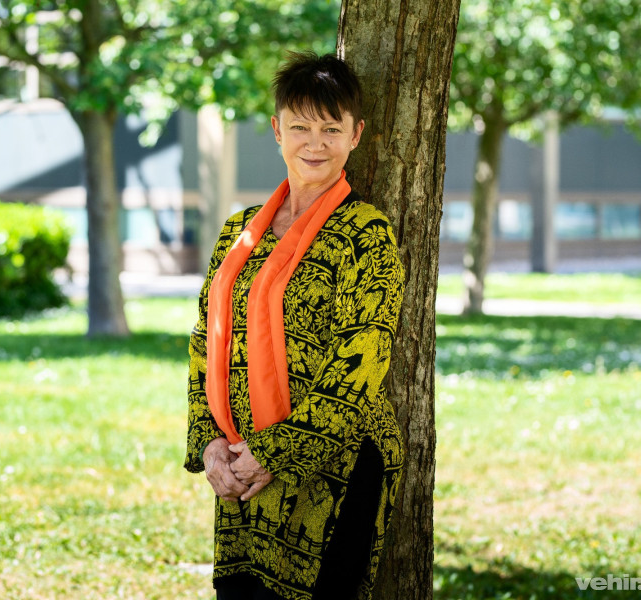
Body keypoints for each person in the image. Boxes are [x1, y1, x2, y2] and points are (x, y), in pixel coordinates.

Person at [184, 51, 405, 600]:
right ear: (277, 130)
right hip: (241, 463)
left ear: (356, 135)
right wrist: (210, 444)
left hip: (334, 465)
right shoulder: (238, 232)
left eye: (331, 129)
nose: (315, 143)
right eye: (301, 126)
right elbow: (204, 344)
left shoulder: (365, 235)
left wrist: (275, 452)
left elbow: (361, 363)